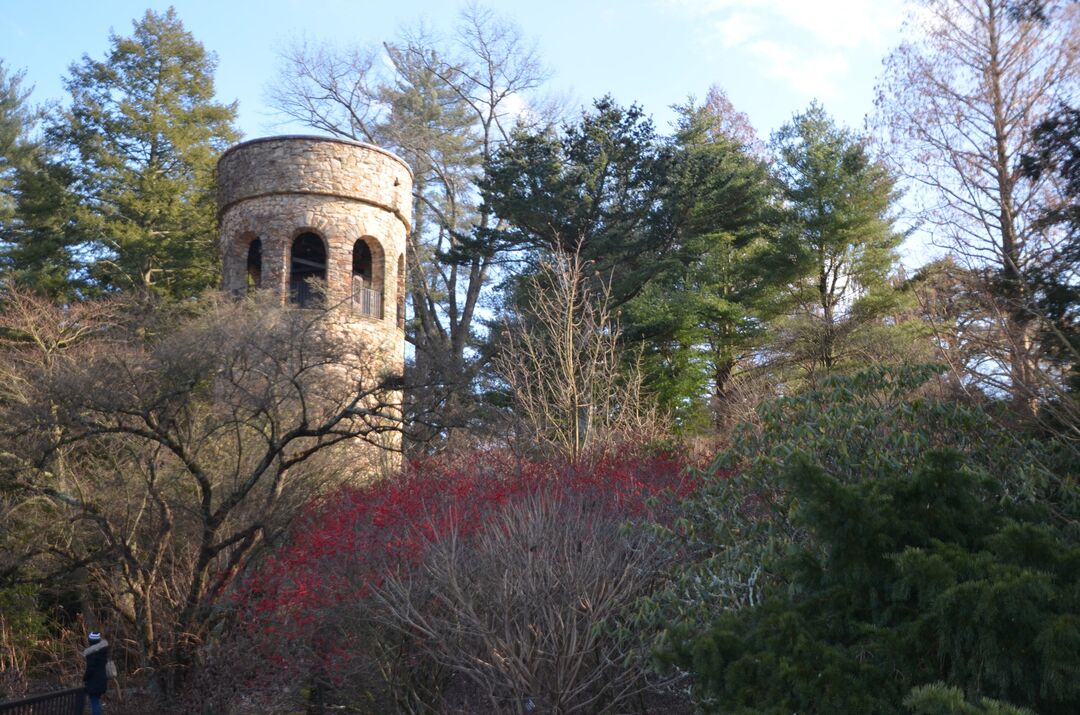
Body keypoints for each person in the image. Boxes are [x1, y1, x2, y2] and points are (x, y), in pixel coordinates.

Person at [82, 631, 109, 715]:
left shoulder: (91, 654)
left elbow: (90, 669)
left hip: (94, 682)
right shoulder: (103, 652)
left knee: (94, 702)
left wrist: (85, 677)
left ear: (90, 641)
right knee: (97, 701)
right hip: (102, 680)